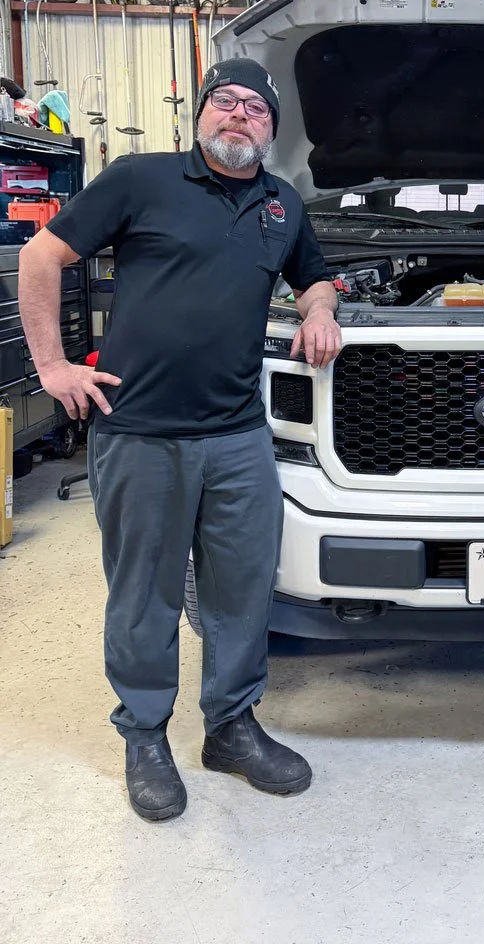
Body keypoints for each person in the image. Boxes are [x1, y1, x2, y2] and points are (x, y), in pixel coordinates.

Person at [18, 57, 341, 822]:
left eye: (255, 110)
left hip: (237, 437)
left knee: (239, 594)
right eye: (225, 103)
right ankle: (145, 735)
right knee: (145, 598)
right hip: (141, 434)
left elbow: (316, 275)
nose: (239, 116)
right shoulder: (141, 179)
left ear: (271, 130)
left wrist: (322, 309)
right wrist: (53, 366)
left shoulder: (282, 206)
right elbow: (40, 256)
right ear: (200, 115)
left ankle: (230, 728)